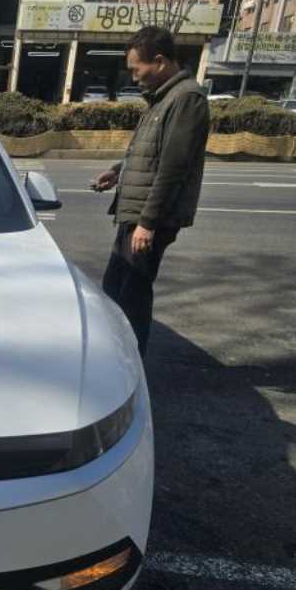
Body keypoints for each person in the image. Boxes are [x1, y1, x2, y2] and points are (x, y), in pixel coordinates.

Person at [92, 26, 209, 357]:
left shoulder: (186, 99)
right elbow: (150, 153)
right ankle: (114, 355)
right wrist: (118, 172)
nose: (133, 76)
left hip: (148, 218)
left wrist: (148, 223)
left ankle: (130, 364)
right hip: (135, 213)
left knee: (132, 295)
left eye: (136, 68)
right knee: (114, 289)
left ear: (159, 61)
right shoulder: (162, 98)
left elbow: (173, 167)